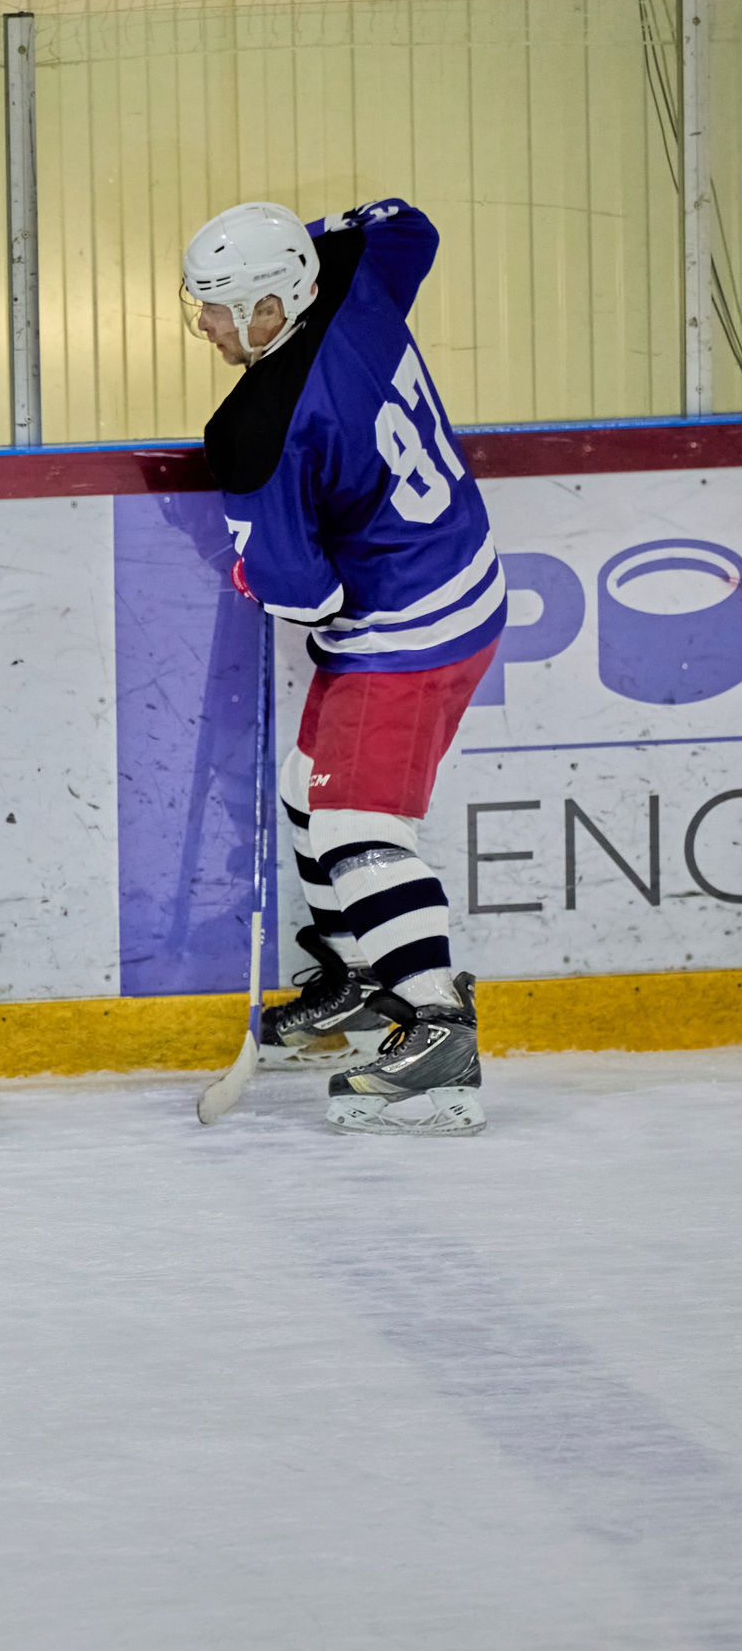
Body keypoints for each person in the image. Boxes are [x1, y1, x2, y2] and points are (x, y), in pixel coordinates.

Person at [183, 200, 503, 1135]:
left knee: (358, 826)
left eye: (216, 306)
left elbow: (306, 598)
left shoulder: (252, 428)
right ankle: (362, 980)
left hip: (405, 632)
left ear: (272, 310)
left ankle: (437, 1025)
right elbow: (410, 224)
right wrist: (313, 232)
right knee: (306, 789)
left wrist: (250, 566)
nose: (201, 324)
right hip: (457, 580)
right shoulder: (354, 276)